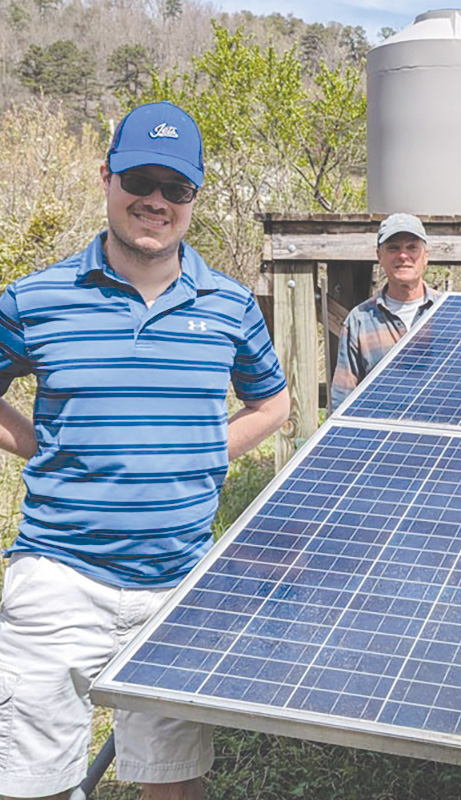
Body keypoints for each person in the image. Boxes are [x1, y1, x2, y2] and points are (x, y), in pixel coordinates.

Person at [0, 101, 289, 800]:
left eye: (177, 189)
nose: (156, 201)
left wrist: (204, 452)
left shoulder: (228, 304)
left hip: (179, 584)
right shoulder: (34, 299)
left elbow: (274, 404)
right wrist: (45, 447)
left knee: (172, 780)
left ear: (192, 198)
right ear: (107, 178)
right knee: (31, 782)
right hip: (60, 577)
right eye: (141, 181)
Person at [329, 213, 440, 410]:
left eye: (412, 247)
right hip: (381, 438)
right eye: (393, 248)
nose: (403, 256)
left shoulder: (448, 312)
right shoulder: (359, 320)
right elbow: (342, 399)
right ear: (379, 256)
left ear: (425, 257)